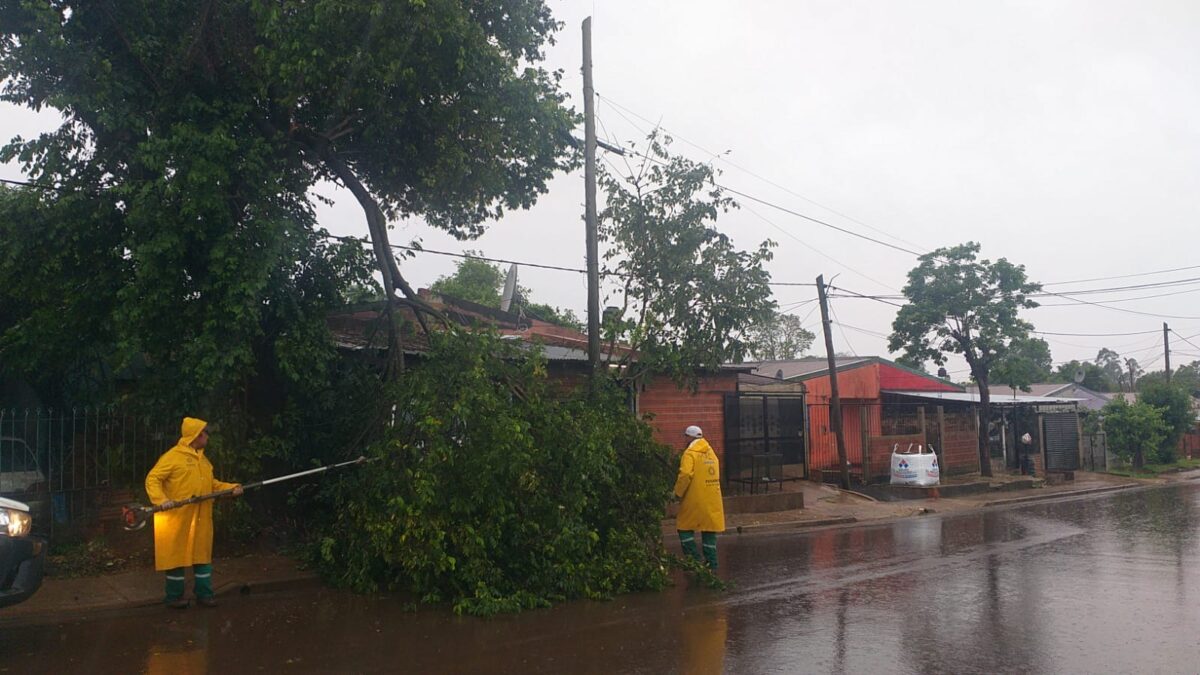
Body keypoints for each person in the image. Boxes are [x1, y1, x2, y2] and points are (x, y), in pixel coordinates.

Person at [145, 417, 242, 608]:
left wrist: (232, 488)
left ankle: (204, 595)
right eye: (205, 432)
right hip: (176, 518)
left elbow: (212, 485)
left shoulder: (203, 461)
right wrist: (162, 501)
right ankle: (173, 598)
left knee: (202, 555)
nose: (207, 436)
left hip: (201, 517)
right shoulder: (173, 457)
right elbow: (152, 479)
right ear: (196, 435)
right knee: (175, 558)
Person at [674, 425, 725, 570]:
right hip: (712, 500)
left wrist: (677, 493)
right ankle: (711, 565)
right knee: (709, 532)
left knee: (683, 528)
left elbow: (685, 475)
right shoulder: (711, 453)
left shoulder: (690, 453)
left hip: (694, 500)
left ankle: (694, 562)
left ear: (689, 437)